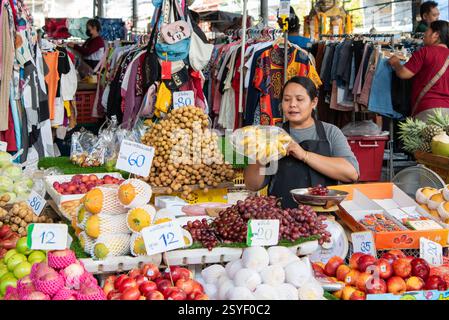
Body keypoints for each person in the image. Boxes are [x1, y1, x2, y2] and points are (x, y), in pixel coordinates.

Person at [244, 77, 360, 208]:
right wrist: (260, 156)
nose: (292, 104)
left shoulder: (330, 132)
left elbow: (351, 174)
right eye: (287, 99)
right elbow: (252, 185)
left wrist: (305, 155)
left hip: (324, 217)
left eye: (299, 99)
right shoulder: (273, 135)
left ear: (314, 102)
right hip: (283, 218)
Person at [389, 20, 449, 121]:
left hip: (427, 110)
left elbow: (403, 74)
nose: (424, 34)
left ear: (436, 34)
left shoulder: (425, 52)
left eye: (427, 31)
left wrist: (395, 62)